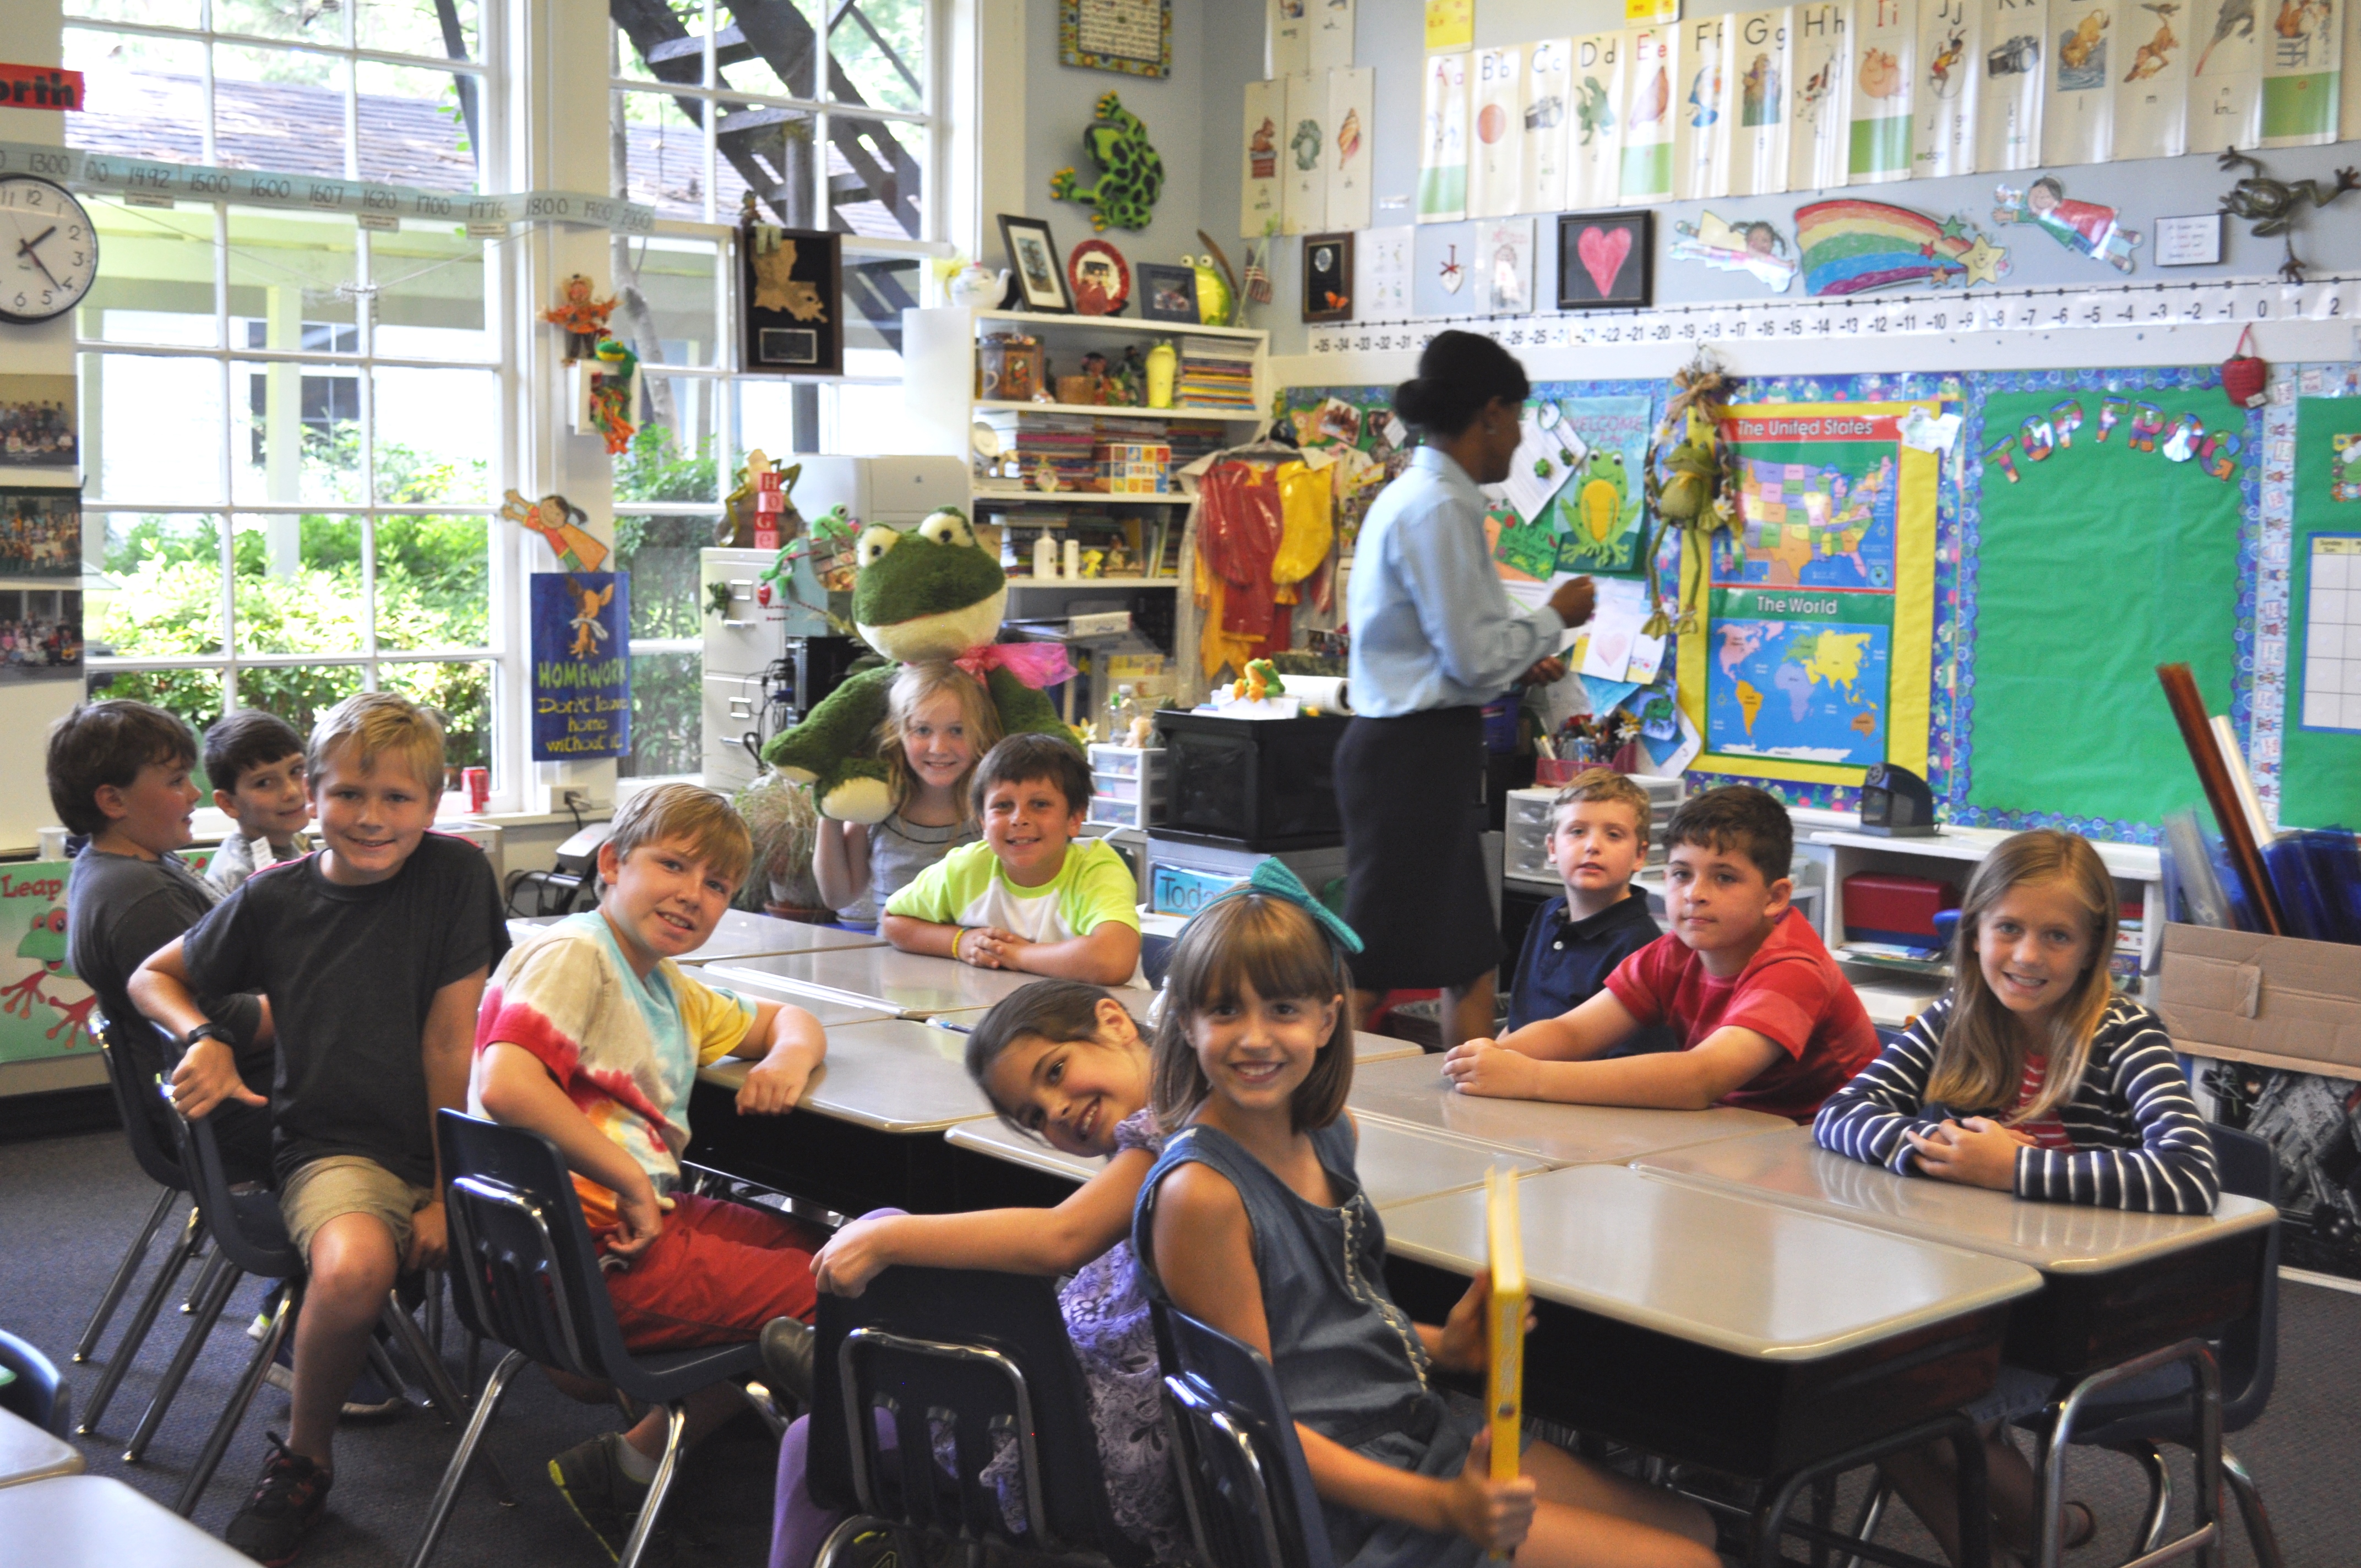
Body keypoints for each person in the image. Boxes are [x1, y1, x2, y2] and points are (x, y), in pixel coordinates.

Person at [1133, 867, 1718, 1568]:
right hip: (1332, 1507)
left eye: (1283, 1009)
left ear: (1327, 1018)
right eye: (1225, 1011)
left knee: (1694, 1529)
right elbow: (1261, 1422)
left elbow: (1325, 1329)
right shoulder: (1202, 1194)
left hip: (1406, 1434)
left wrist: (1445, 1347)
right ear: (1188, 1023)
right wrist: (1443, 1509)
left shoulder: (1328, 1132)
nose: (1255, 1038)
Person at [130, 693, 508, 1566]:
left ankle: (646, 1448)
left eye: (398, 799)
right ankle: (305, 1459)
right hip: (335, 1145)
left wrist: (450, 1186)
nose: (371, 819)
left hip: (452, 1135)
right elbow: (155, 977)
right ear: (313, 793)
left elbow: (453, 1040)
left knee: (596, 1248)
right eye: (347, 795)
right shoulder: (273, 899)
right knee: (351, 1269)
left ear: (434, 803)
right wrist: (204, 1037)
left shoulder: (456, 875)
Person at [1815, 829, 2218, 1566]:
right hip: (1987, 1303)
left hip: (2107, 1324)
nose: (2028, 957)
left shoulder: (2126, 1035)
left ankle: (2036, 1534)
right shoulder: (1955, 1020)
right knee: (1861, 1398)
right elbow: (1839, 1114)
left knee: (1907, 1403)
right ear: (1975, 934)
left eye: (2057, 936)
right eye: (2009, 929)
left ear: (2096, 948)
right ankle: (2030, 1539)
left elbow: (2190, 1174)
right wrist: (1924, 1149)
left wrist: (2013, 1172)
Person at [471, 782, 830, 1556]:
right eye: (672, 865)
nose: (691, 895)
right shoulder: (575, 953)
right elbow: (507, 1083)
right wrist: (633, 1180)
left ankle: (631, 1463)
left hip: (591, 1239)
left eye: (716, 885)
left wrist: (794, 1055)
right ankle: (847, 1500)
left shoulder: (668, 987)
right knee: (842, 1289)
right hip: (591, 1251)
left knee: (829, 1250)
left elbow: (788, 1021)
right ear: (612, 862)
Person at [768, 976, 1184, 1567]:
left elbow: (1060, 1239)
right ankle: (872, 1375)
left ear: (1116, 1021)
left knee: (810, 1439)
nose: (1058, 1111)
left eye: (1056, 1071)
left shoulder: (1170, 1130)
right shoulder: (1165, 1122)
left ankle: (865, 1377)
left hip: (1096, 1448)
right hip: (1083, 1406)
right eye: (1035, 1116)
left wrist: (889, 1236)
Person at [1338, 330, 1595, 1049]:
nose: (1518, 437)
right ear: (1489, 413)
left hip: (1419, 746)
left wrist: (1520, 656)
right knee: (1375, 963)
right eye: (1516, 418)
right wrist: (1555, 618)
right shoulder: (1439, 507)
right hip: (1408, 754)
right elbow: (1477, 655)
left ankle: (1470, 1099)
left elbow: (1458, 641)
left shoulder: (1422, 496)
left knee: (1470, 958)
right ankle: (1315, 1107)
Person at [1443, 784, 1878, 1123]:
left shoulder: (1793, 968)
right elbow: (1572, 1033)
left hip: (1818, 1154)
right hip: (1733, 1135)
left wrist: (1531, 1078)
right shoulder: (1672, 953)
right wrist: (1495, 1060)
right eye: (1681, 874)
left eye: (1724, 878)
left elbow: (1699, 1079)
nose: (1695, 895)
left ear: (1776, 896)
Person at [51, 700, 275, 1184]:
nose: (195, 793)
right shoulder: (139, 893)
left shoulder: (122, 866)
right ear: (113, 801)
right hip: (230, 1111)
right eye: (176, 781)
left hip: (221, 1100)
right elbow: (227, 1022)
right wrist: (333, 995)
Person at [882, 733, 1141, 986]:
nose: (1019, 819)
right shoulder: (967, 867)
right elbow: (894, 921)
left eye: (1040, 804)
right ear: (983, 822)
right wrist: (959, 943)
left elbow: (1113, 961)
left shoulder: (1095, 867)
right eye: (1003, 806)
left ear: (1074, 819)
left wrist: (1016, 955)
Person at [812, 661, 999, 928]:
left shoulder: (992, 810)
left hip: (975, 962)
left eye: (956, 731)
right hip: (893, 964)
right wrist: (830, 807)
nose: (939, 748)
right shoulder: (880, 805)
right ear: (898, 733)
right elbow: (838, 896)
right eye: (923, 730)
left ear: (980, 735)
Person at [1504, 769, 1676, 1056]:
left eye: (1613, 835)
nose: (1592, 846)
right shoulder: (1547, 915)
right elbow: (1517, 1025)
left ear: (1640, 855)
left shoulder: (1641, 948)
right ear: (1552, 848)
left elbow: (1628, 1069)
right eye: (1577, 831)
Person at [203, 707, 315, 897]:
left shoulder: (295, 837)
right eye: (265, 783)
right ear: (228, 803)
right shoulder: (242, 877)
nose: (292, 792)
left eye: (296, 771)